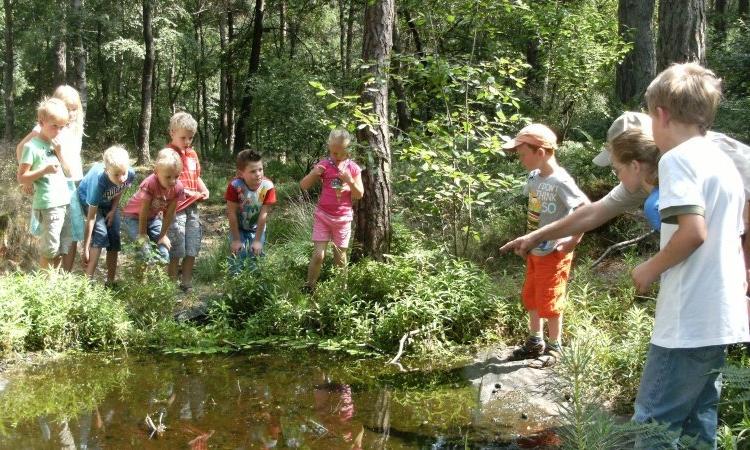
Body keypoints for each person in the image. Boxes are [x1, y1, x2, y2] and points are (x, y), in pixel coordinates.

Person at [628, 62, 749, 447]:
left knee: (652, 422)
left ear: (660, 114)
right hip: (722, 314)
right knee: (699, 420)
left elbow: (693, 232)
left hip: (688, 319)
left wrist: (648, 268)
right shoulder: (722, 162)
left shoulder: (677, 158)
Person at [499, 112, 750, 257]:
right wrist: (535, 236)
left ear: (635, 161)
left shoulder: (707, 154)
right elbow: (594, 212)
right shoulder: (642, 180)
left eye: (616, 166)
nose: (614, 173)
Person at [502, 123, 590, 362]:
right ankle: (535, 340)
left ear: (540, 152)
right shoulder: (533, 177)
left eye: (522, 155)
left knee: (550, 298)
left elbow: (584, 209)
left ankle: (555, 346)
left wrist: (572, 241)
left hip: (554, 251)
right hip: (535, 250)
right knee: (531, 295)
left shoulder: (561, 181)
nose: (520, 160)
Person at [16, 85, 86, 271]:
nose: (71, 113)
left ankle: (66, 276)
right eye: (67, 108)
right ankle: (51, 278)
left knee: (70, 234)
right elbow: (22, 149)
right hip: (52, 187)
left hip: (72, 184)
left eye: (74, 109)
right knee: (54, 234)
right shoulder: (45, 128)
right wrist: (29, 178)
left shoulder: (73, 128)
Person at [300, 129, 364, 292]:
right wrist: (314, 174)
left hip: (343, 219)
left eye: (340, 152)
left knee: (340, 257)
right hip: (323, 216)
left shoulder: (353, 168)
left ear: (348, 150)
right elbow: (304, 185)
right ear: (329, 147)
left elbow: (359, 194)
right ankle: (310, 286)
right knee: (318, 255)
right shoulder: (324, 164)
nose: (336, 156)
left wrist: (349, 180)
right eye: (333, 152)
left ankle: (341, 290)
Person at [165, 112, 210, 293]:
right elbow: (167, 180)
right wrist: (188, 191)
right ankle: (170, 285)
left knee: (192, 244)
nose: (187, 141)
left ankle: (186, 282)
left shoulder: (192, 154)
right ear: (172, 133)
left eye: (190, 138)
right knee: (177, 246)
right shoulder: (168, 154)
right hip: (175, 208)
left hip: (192, 207)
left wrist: (203, 188)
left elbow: (196, 177)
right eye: (183, 137)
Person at [78, 145, 135, 285]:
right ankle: (87, 282)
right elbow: (91, 218)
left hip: (109, 202)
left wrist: (113, 209)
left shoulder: (130, 174)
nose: (121, 178)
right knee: (100, 234)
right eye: (116, 174)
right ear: (106, 170)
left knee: (114, 236)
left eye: (124, 173)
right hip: (89, 200)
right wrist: (85, 248)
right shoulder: (98, 182)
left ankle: (110, 282)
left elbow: (120, 188)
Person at [122, 148, 185, 265]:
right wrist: (142, 234)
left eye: (176, 176)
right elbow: (143, 210)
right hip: (133, 217)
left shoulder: (178, 188)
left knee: (164, 250)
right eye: (168, 177)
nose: (173, 181)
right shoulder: (150, 183)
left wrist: (163, 236)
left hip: (153, 219)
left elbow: (169, 213)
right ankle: (142, 280)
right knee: (144, 250)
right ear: (156, 172)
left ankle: (157, 280)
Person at [224, 149, 276, 274]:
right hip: (239, 227)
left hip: (257, 228)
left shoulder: (267, 186)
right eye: (253, 171)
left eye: (260, 169)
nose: (258, 174)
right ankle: (235, 284)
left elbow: (263, 215)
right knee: (237, 255)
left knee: (256, 255)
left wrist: (257, 240)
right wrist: (236, 239)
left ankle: (255, 285)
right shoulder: (235, 186)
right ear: (241, 173)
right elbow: (231, 213)